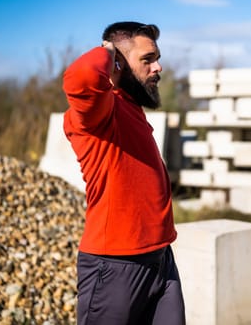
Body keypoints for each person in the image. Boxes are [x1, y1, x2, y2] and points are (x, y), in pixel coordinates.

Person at [62, 21, 185, 325]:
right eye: (147, 59)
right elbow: (79, 78)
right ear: (118, 63)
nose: (157, 67)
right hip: (114, 266)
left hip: (160, 260)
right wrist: (107, 51)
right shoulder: (98, 112)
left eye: (157, 58)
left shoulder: (131, 106)